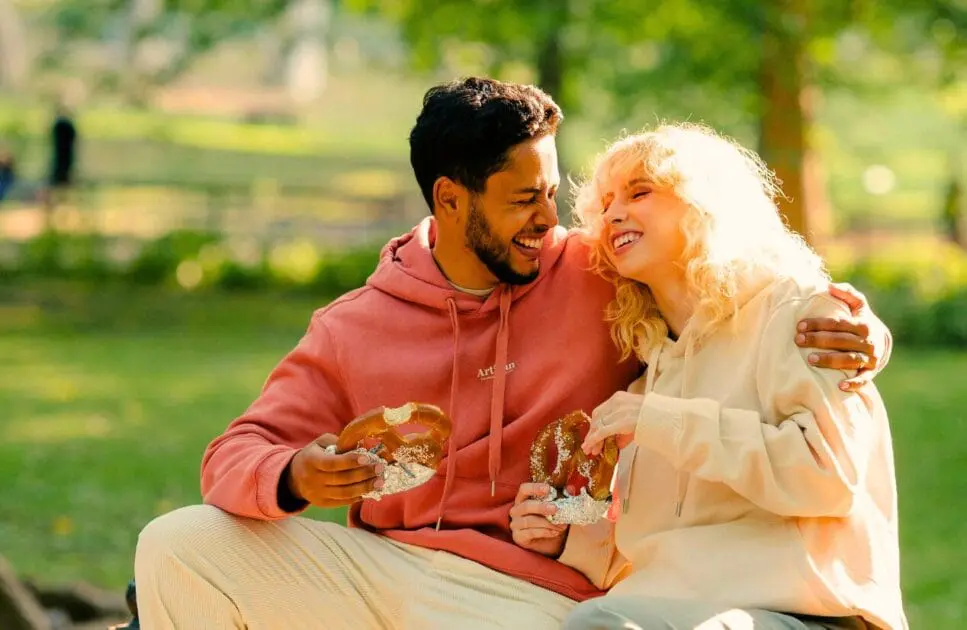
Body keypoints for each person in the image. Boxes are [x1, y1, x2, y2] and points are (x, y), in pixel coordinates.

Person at [132, 79, 892, 630]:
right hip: (384, 569)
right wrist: (296, 474)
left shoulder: (601, 275)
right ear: (450, 200)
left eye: (552, 193)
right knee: (179, 544)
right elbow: (234, 453)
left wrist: (860, 332)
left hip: (535, 600)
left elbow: (723, 286)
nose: (548, 219)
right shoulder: (352, 326)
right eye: (523, 200)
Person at [522, 123, 904, 629]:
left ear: (705, 203)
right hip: (668, 610)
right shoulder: (648, 375)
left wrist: (668, 423)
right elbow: (658, 547)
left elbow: (830, 480)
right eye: (606, 203)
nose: (613, 214)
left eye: (640, 192)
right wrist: (563, 532)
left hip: (808, 614)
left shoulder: (802, 316)